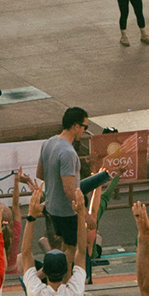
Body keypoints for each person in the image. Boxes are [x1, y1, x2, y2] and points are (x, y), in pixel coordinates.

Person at [14, 175, 94, 296]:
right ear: (66, 271)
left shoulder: (35, 291)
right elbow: (81, 251)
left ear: (45, 272)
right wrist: (81, 214)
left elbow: (26, 253)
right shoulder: (75, 291)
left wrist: (31, 216)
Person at [38, 106, 97, 248]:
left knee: (63, 246)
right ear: (76, 126)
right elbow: (70, 190)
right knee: (75, 249)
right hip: (67, 212)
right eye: (84, 127)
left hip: (52, 207)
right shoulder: (68, 152)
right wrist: (85, 214)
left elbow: (40, 174)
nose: (84, 131)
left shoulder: (48, 143)